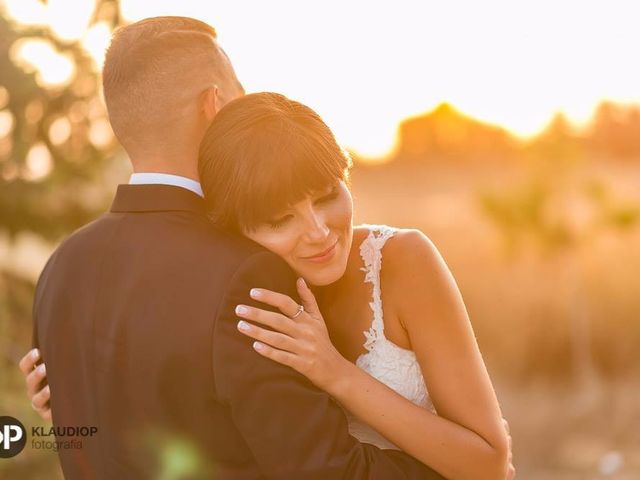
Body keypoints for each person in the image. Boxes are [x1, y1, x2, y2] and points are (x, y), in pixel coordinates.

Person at [18, 16, 448, 480]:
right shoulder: (247, 272)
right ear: (215, 104)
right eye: (239, 94)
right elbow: (328, 471)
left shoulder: (62, 268)